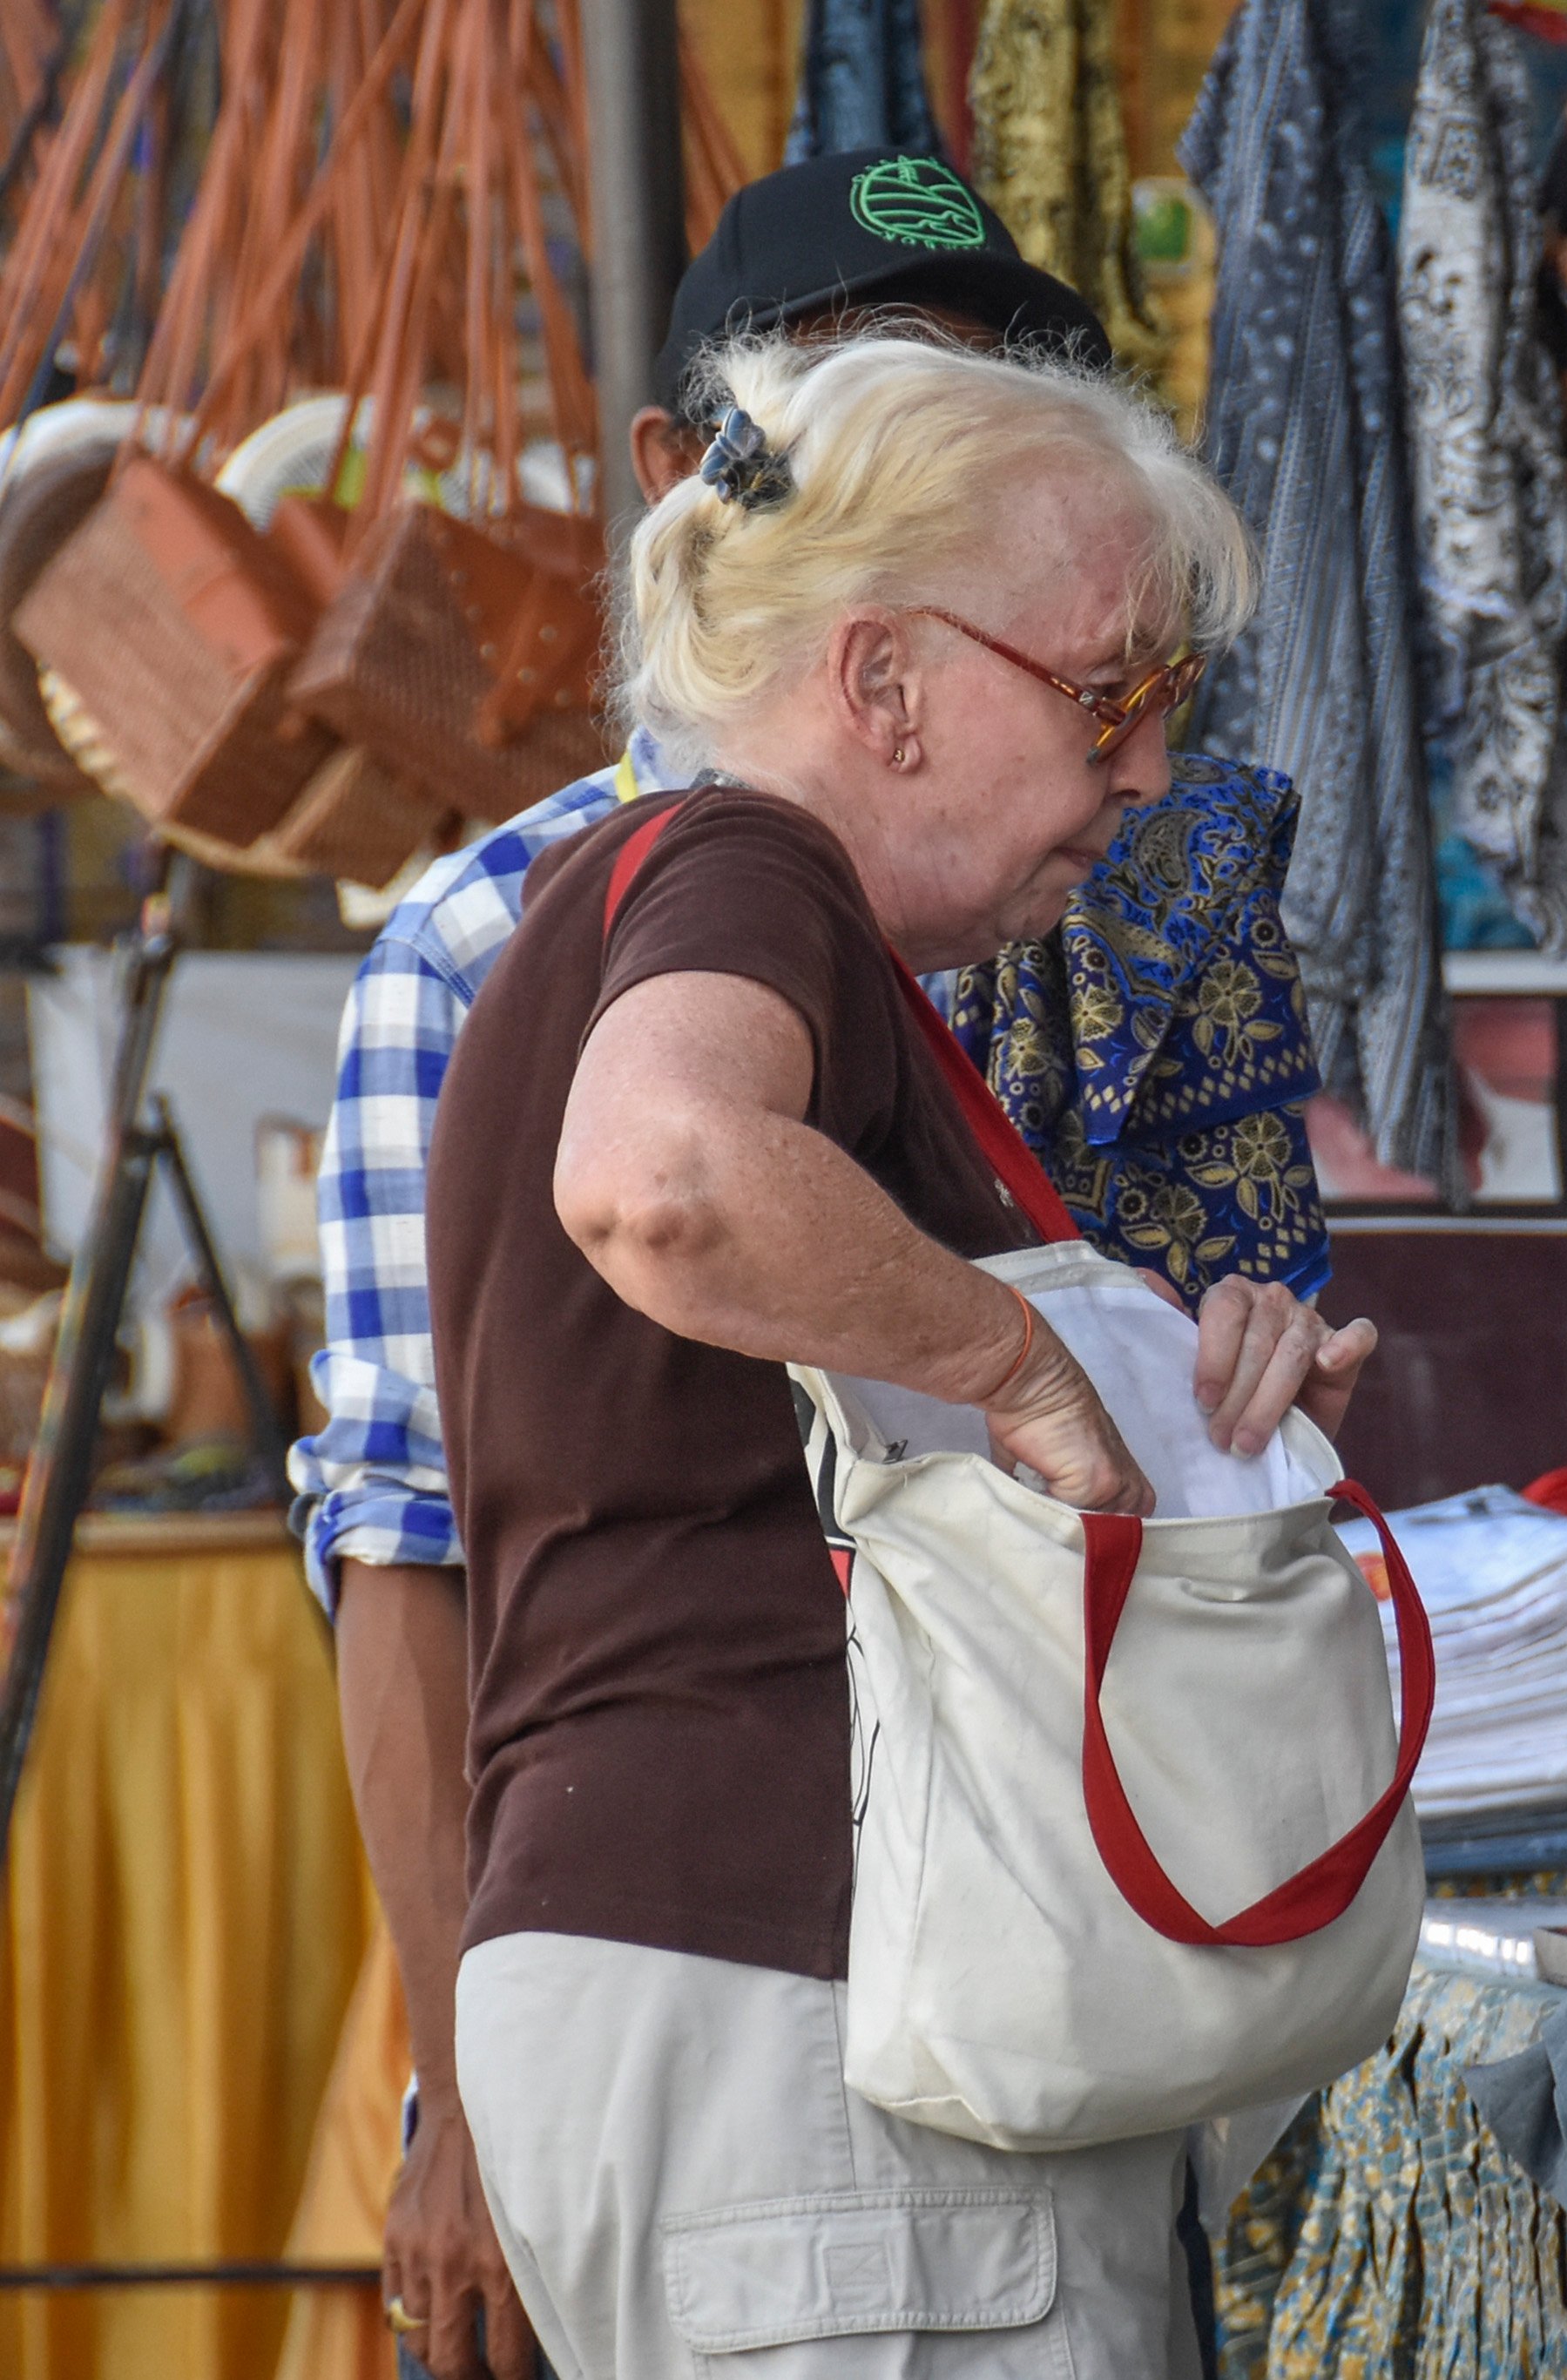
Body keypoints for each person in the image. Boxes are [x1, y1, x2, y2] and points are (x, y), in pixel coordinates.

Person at [290, 150, 1364, 2380]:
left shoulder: (741, 913)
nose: (1147, 762)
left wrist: (1173, 1383)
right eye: (1104, 686)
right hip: (809, 2031)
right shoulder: (745, 872)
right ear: (874, 679)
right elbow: (667, 1173)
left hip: (768, 2022)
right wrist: (1024, 1366)